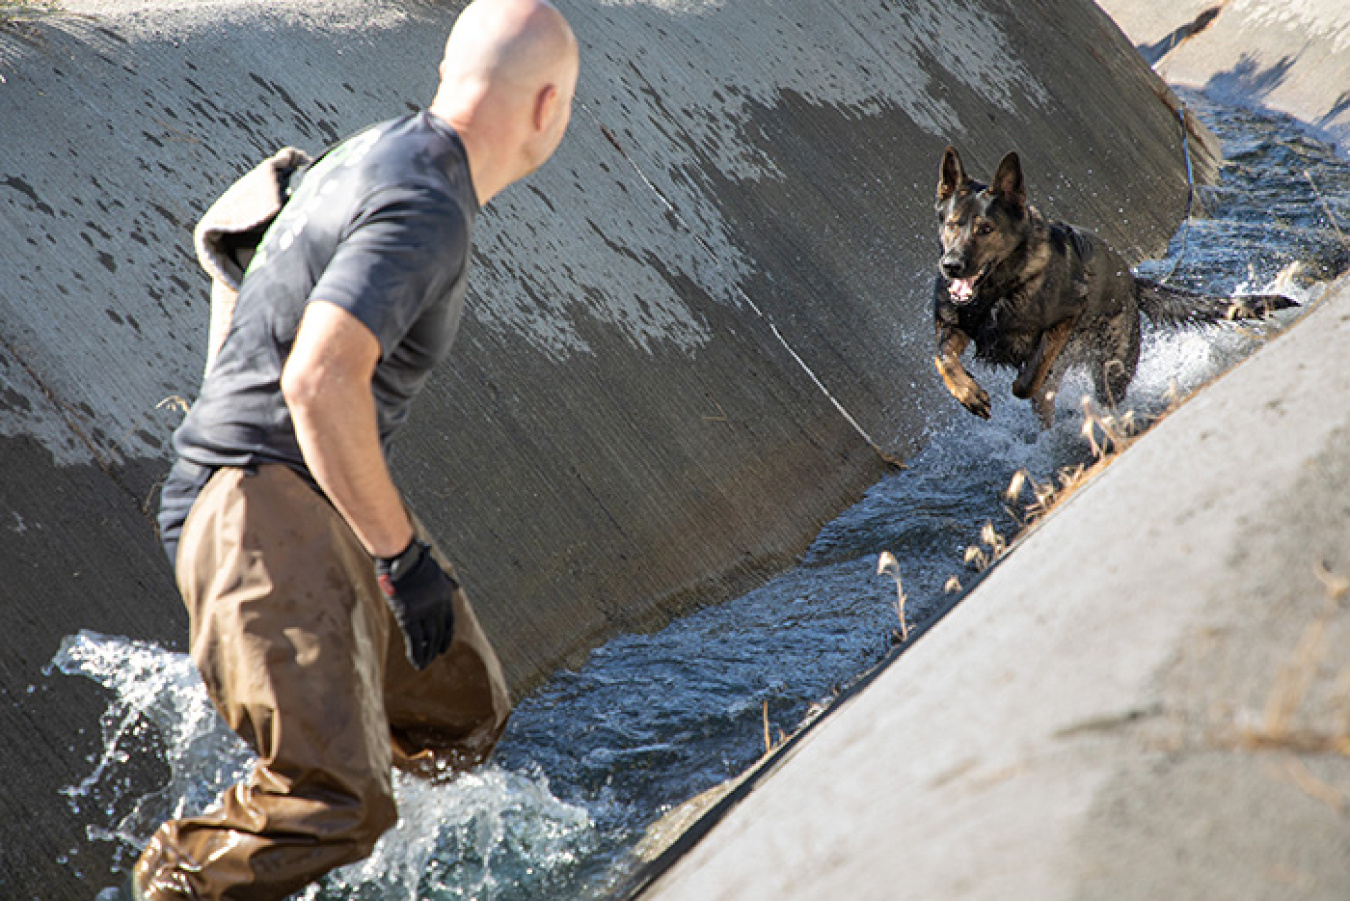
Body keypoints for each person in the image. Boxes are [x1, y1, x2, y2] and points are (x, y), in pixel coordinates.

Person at [133, 1, 579, 897]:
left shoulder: (380, 152)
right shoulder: (425, 200)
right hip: (264, 505)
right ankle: (177, 879)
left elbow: (233, 240)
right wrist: (401, 558)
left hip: (293, 492)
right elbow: (318, 381)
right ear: (546, 110)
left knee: (458, 709)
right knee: (333, 797)